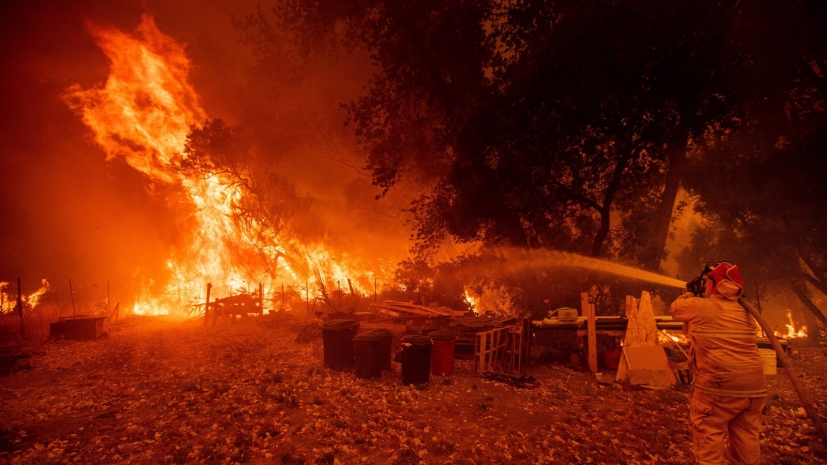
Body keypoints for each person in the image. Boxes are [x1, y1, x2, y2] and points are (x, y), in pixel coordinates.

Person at [670, 262, 767, 465]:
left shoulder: (700, 306)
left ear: (716, 284)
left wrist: (690, 293)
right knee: (747, 441)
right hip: (754, 389)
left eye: (708, 282)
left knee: (708, 436)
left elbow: (676, 308)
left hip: (718, 388)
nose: (706, 285)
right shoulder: (746, 313)